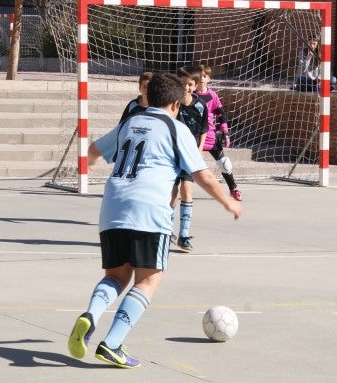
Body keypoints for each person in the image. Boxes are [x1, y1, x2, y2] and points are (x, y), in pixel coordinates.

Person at [67, 73, 241, 369]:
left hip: (112, 206)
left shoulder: (129, 123)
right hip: (149, 208)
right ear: (175, 104)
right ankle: (111, 343)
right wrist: (228, 201)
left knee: (115, 277)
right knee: (148, 280)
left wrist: (90, 160)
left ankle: (91, 315)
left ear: (147, 97)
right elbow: (202, 174)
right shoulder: (176, 128)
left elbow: (94, 150)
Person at [170, 65, 209, 252]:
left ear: (195, 86)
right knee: (171, 193)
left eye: (190, 84)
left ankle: (183, 235)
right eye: (183, 83)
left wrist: (199, 150)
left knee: (187, 189)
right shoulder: (171, 103)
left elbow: (203, 131)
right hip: (170, 154)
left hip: (189, 155)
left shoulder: (201, 106)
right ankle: (166, 230)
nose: (186, 87)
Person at [195, 63, 242, 202]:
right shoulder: (190, 95)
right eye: (199, 76)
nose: (201, 79)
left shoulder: (212, 95)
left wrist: (225, 131)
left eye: (204, 76)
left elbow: (221, 114)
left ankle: (233, 189)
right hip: (194, 137)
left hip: (210, 135)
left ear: (209, 78)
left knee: (225, 163)